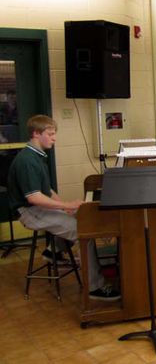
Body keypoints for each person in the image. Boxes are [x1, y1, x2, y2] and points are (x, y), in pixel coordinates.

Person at [7, 115, 120, 301]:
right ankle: (95, 287)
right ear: (36, 133)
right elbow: (34, 197)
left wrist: (66, 208)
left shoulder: (37, 155)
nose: (54, 138)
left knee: (78, 216)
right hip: (29, 213)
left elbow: (47, 190)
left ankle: (53, 251)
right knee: (84, 232)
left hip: (35, 208)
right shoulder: (27, 160)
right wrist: (66, 205)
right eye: (50, 134)